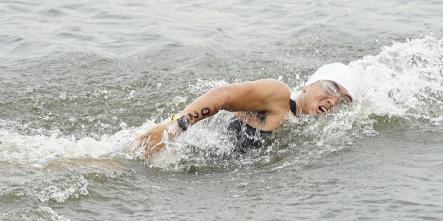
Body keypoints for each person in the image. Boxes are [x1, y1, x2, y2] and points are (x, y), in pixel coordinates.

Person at [134, 63, 359, 157]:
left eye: (342, 100)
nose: (333, 100)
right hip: (182, 158)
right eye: (330, 88)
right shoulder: (278, 96)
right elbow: (222, 96)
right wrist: (174, 129)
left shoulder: (301, 125)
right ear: (307, 86)